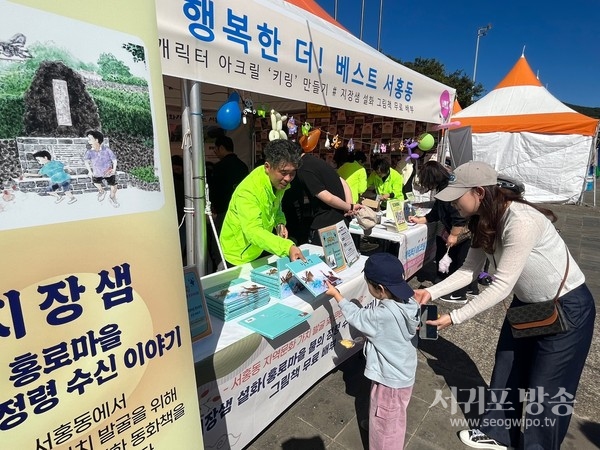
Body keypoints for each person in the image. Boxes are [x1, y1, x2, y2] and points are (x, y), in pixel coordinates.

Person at [414, 161, 595, 450]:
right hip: (529, 304)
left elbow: (501, 285)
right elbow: (468, 271)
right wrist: (430, 293)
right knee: (508, 368)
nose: (454, 205)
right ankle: (497, 433)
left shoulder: (520, 220)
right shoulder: (481, 219)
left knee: (545, 391)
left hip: (568, 307)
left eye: (457, 198)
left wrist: (455, 318)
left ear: (479, 193)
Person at [325, 252, 419, 450]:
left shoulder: (381, 315)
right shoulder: (410, 301)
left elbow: (357, 316)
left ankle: (383, 434)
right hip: (403, 372)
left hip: (390, 379)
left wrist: (337, 296)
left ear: (380, 289)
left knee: (387, 425)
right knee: (392, 414)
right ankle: (379, 424)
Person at [219, 139, 305, 266]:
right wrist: (287, 247)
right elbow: (253, 232)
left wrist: (279, 222)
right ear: (267, 167)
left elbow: (276, 207)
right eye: (283, 172)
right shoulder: (248, 191)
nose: (288, 178)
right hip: (237, 255)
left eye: (292, 173)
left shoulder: (276, 182)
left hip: (257, 250)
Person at [408, 160, 479, 303]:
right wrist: (421, 219)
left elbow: (457, 216)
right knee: (465, 261)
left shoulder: (448, 190)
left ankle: (459, 294)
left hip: (463, 231)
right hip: (467, 229)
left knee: (459, 262)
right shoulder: (445, 187)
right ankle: (472, 288)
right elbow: (436, 212)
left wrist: (453, 235)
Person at [295, 146, 359, 245]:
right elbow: (343, 182)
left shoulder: (303, 168)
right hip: (342, 220)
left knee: (326, 258)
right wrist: (348, 204)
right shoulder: (318, 162)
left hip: (327, 225)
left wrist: (350, 207)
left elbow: (327, 197)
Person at [207, 135, 249, 268]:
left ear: (222, 148)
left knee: (219, 246)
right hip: (242, 212)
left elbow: (214, 191)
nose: (215, 151)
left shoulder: (219, 167)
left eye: (216, 148)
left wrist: (214, 207)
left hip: (224, 212)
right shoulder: (243, 166)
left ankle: (222, 269)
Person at [84, 130, 119, 207]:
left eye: (90, 139)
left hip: (108, 172)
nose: (88, 141)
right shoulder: (89, 151)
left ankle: (112, 198)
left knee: (114, 188)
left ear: (96, 140)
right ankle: (102, 191)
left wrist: (114, 169)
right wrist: (90, 171)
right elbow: (86, 161)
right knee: (96, 183)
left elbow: (114, 160)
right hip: (97, 173)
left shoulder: (106, 150)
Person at [171, 155, 186, 259]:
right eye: (175, 169)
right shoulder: (185, 184)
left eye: (178, 169)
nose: (176, 171)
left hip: (179, 221)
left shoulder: (184, 184)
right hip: (180, 221)